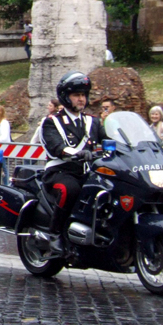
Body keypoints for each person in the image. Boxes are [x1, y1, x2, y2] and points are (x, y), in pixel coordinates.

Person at [40, 72, 105, 250]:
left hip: (87, 172)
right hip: (60, 172)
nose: (81, 99)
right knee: (71, 189)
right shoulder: (52, 122)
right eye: (76, 95)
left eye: (83, 95)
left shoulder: (93, 123)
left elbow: (110, 141)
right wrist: (78, 153)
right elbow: (56, 147)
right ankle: (55, 233)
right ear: (66, 97)